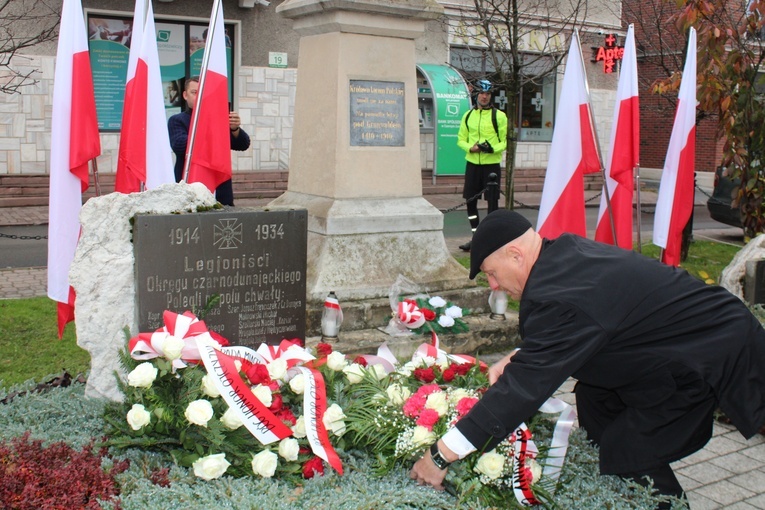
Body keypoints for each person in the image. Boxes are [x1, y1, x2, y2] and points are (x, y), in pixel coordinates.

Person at [410, 209, 765, 508]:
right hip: (678, 340)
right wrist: (521, 356)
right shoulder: (560, 258)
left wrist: (441, 454)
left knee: (630, 448)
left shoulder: (557, 294)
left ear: (516, 256)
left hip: (707, 348)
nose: (493, 285)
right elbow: (591, 321)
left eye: (491, 272)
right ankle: (621, 481)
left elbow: (522, 390)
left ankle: (661, 498)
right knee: (595, 396)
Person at [167, 76, 250, 206]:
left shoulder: (218, 120)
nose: (199, 97)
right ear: (185, 95)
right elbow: (179, 145)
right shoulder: (177, 120)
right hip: (189, 184)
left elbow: (242, 144)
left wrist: (234, 129)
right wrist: (209, 130)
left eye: (202, 93)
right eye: (194, 93)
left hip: (220, 186)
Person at [456, 79, 508, 252]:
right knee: (470, 202)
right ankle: (476, 238)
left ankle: (491, 240)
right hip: (472, 164)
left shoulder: (499, 116)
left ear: (491, 95)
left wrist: (491, 149)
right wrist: (471, 148)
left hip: (491, 165)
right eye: (481, 93)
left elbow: (504, 142)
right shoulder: (468, 115)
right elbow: (461, 139)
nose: (484, 97)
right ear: (476, 94)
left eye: (487, 93)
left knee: (492, 204)